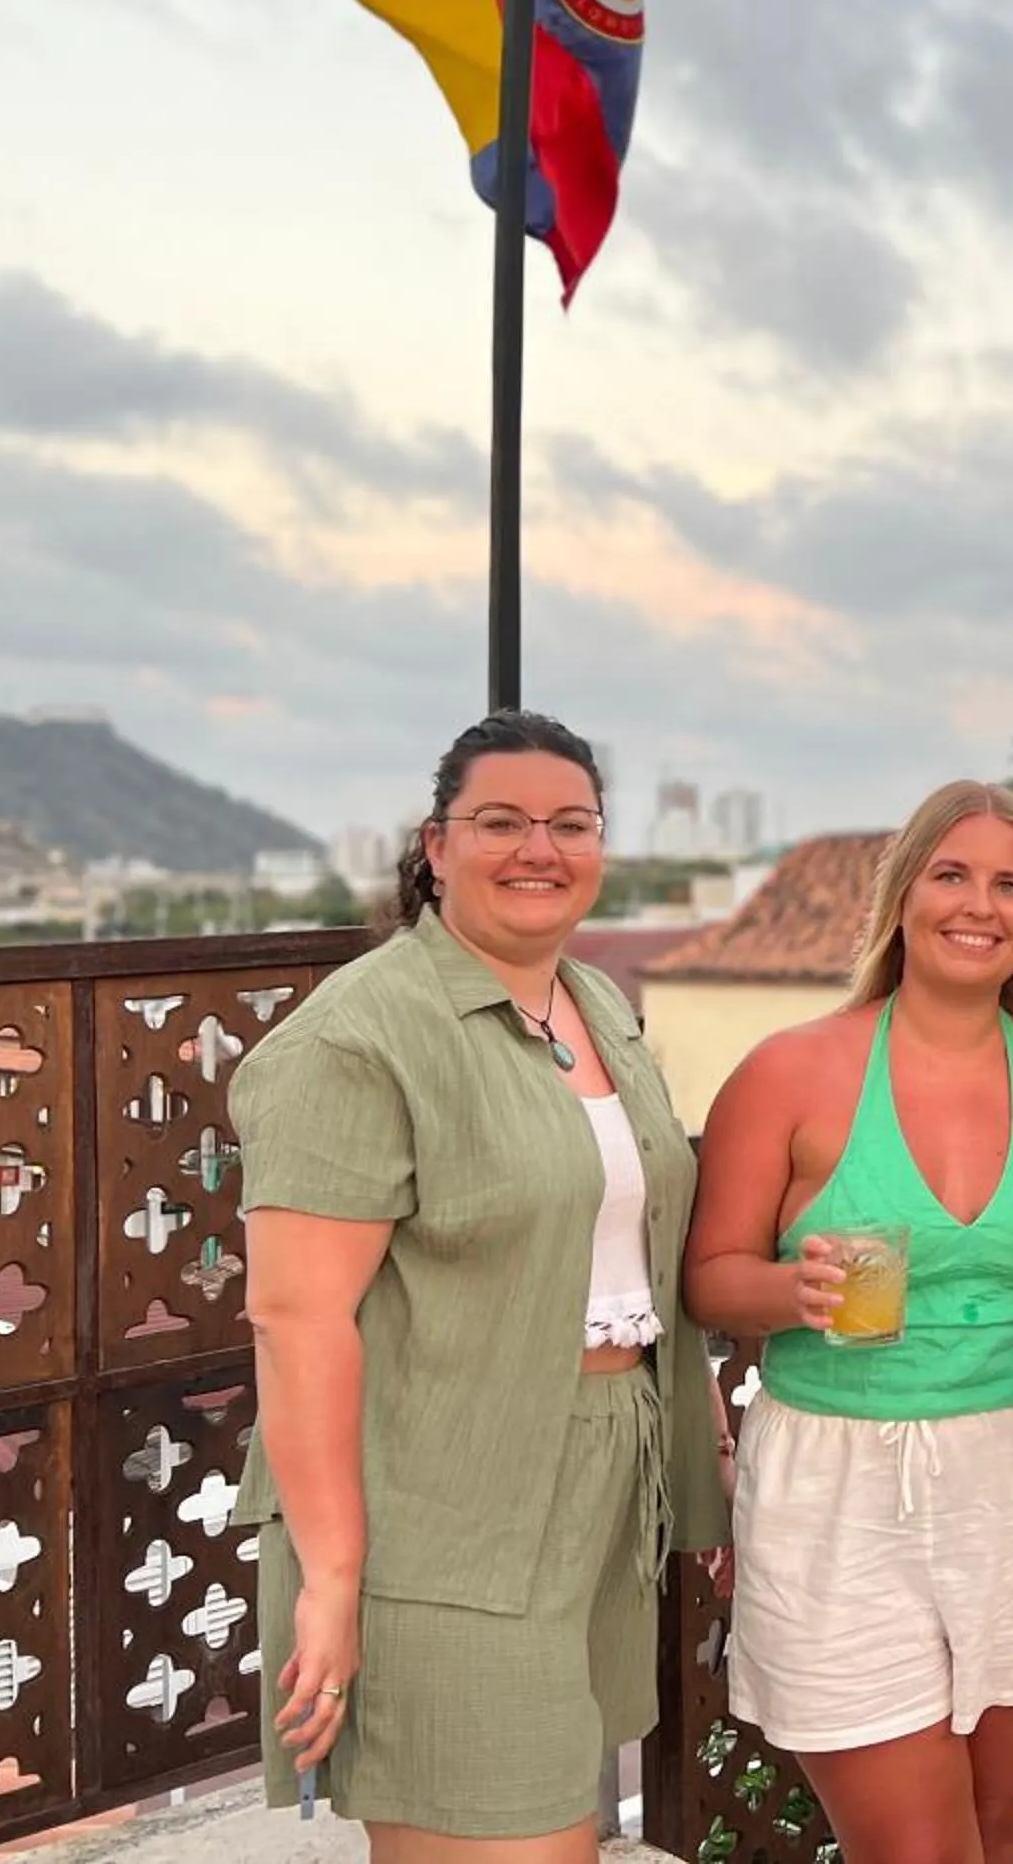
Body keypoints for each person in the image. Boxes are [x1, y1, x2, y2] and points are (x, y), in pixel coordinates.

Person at [233, 709, 730, 1859]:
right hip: (441, 1513)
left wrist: (693, 1430)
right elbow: (296, 1318)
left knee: (565, 1831)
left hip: (602, 1482)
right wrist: (333, 1577)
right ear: (435, 844)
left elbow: (629, 1236)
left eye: (570, 824)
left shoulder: (595, 1005)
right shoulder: (355, 1042)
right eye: (500, 822)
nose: (537, 850)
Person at [684, 780, 1013, 1864]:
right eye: (952, 874)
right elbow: (709, 1279)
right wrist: (794, 1293)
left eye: (1010, 884)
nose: (981, 905)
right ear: (904, 896)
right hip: (842, 1487)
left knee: (1005, 1827)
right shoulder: (792, 1069)